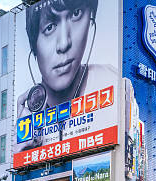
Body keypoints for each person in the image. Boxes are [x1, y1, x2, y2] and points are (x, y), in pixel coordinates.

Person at [16, 0, 112, 152]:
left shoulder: (112, 83)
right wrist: (23, 154)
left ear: (90, 20)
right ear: (34, 46)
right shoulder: (28, 114)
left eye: (76, 14)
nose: (64, 44)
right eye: (49, 27)